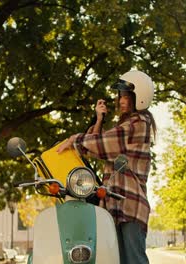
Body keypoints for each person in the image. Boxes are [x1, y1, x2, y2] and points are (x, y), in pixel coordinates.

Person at [57, 70, 156, 264]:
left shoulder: (139, 123)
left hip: (130, 205)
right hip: (115, 204)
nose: (120, 100)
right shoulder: (126, 125)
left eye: (126, 96)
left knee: (133, 260)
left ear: (140, 98)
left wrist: (74, 139)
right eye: (120, 96)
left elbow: (104, 143)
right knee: (115, 260)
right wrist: (99, 119)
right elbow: (95, 149)